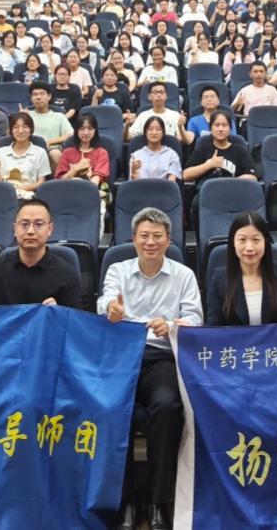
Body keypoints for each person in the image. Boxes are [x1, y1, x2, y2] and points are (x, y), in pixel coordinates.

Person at [99, 207, 203, 530]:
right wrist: (112, 310)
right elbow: (105, 303)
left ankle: (160, 500)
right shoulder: (117, 270)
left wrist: (171, 326)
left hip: (162, 358)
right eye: (144, 236)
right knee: (112, 408)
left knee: (167, 406)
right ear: (133, 239)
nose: (150, 242)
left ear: (169, 240)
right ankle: (126, 499)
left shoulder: (183, 275)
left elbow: (196, 319)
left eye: (157, 236)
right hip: (123, 358)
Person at [205, 212, 277, 325]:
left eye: (256, 240)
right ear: (233, 242)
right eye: (242, 240)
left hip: (274, 337)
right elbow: (212, 328)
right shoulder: (219, 279)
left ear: (265, 242)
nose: (249, 248)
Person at [183, 112, 255, 187]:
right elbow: (185, 175)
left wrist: (230, 183)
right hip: (208, 192)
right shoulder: (203, 149)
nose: (220, 129)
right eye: (217, 125)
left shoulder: (240, 150)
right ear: (210, 128)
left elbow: (252, 176)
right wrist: (209, 165)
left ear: (230, 128)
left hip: (233, 190)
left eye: (224, 125)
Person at [0, 112, 50, 198]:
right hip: (5, 196)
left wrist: (19, 189)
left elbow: (41, 182)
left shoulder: (40, 152)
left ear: (31, 129)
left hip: (29, 196)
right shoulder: (1, 152)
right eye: (16, 127)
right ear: (11, 131)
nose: (20, 131)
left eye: (25, 127)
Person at [56, 114, 111, 200]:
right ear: (76, 131)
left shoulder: (102, 153)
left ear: (95, 130)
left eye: (90, 129)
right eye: (82, 129)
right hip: (68, 193)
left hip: (93, 195)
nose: (86, 132)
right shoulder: (67, 152)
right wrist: (75, 169)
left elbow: (96, 180)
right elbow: (61, 181)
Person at [128, 82, 193, 144]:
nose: (159, 95)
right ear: (149, 96)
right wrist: (127, 125)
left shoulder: (175, 115)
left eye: (161, 92)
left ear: (166, 96)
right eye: (155, 92)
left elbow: (184, 140)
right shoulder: (143, 115)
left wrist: (180, 127)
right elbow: (128, 137)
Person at [130, 115, 182, 182]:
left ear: (163, 133)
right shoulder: (136, 156)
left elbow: (171, 183)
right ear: (145, 132)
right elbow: (134, 184)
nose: (154, 133)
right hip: (141, 188)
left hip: (164, 188)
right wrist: (134, 170)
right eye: (150, 129)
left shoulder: (171, 155)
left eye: (158, 129)